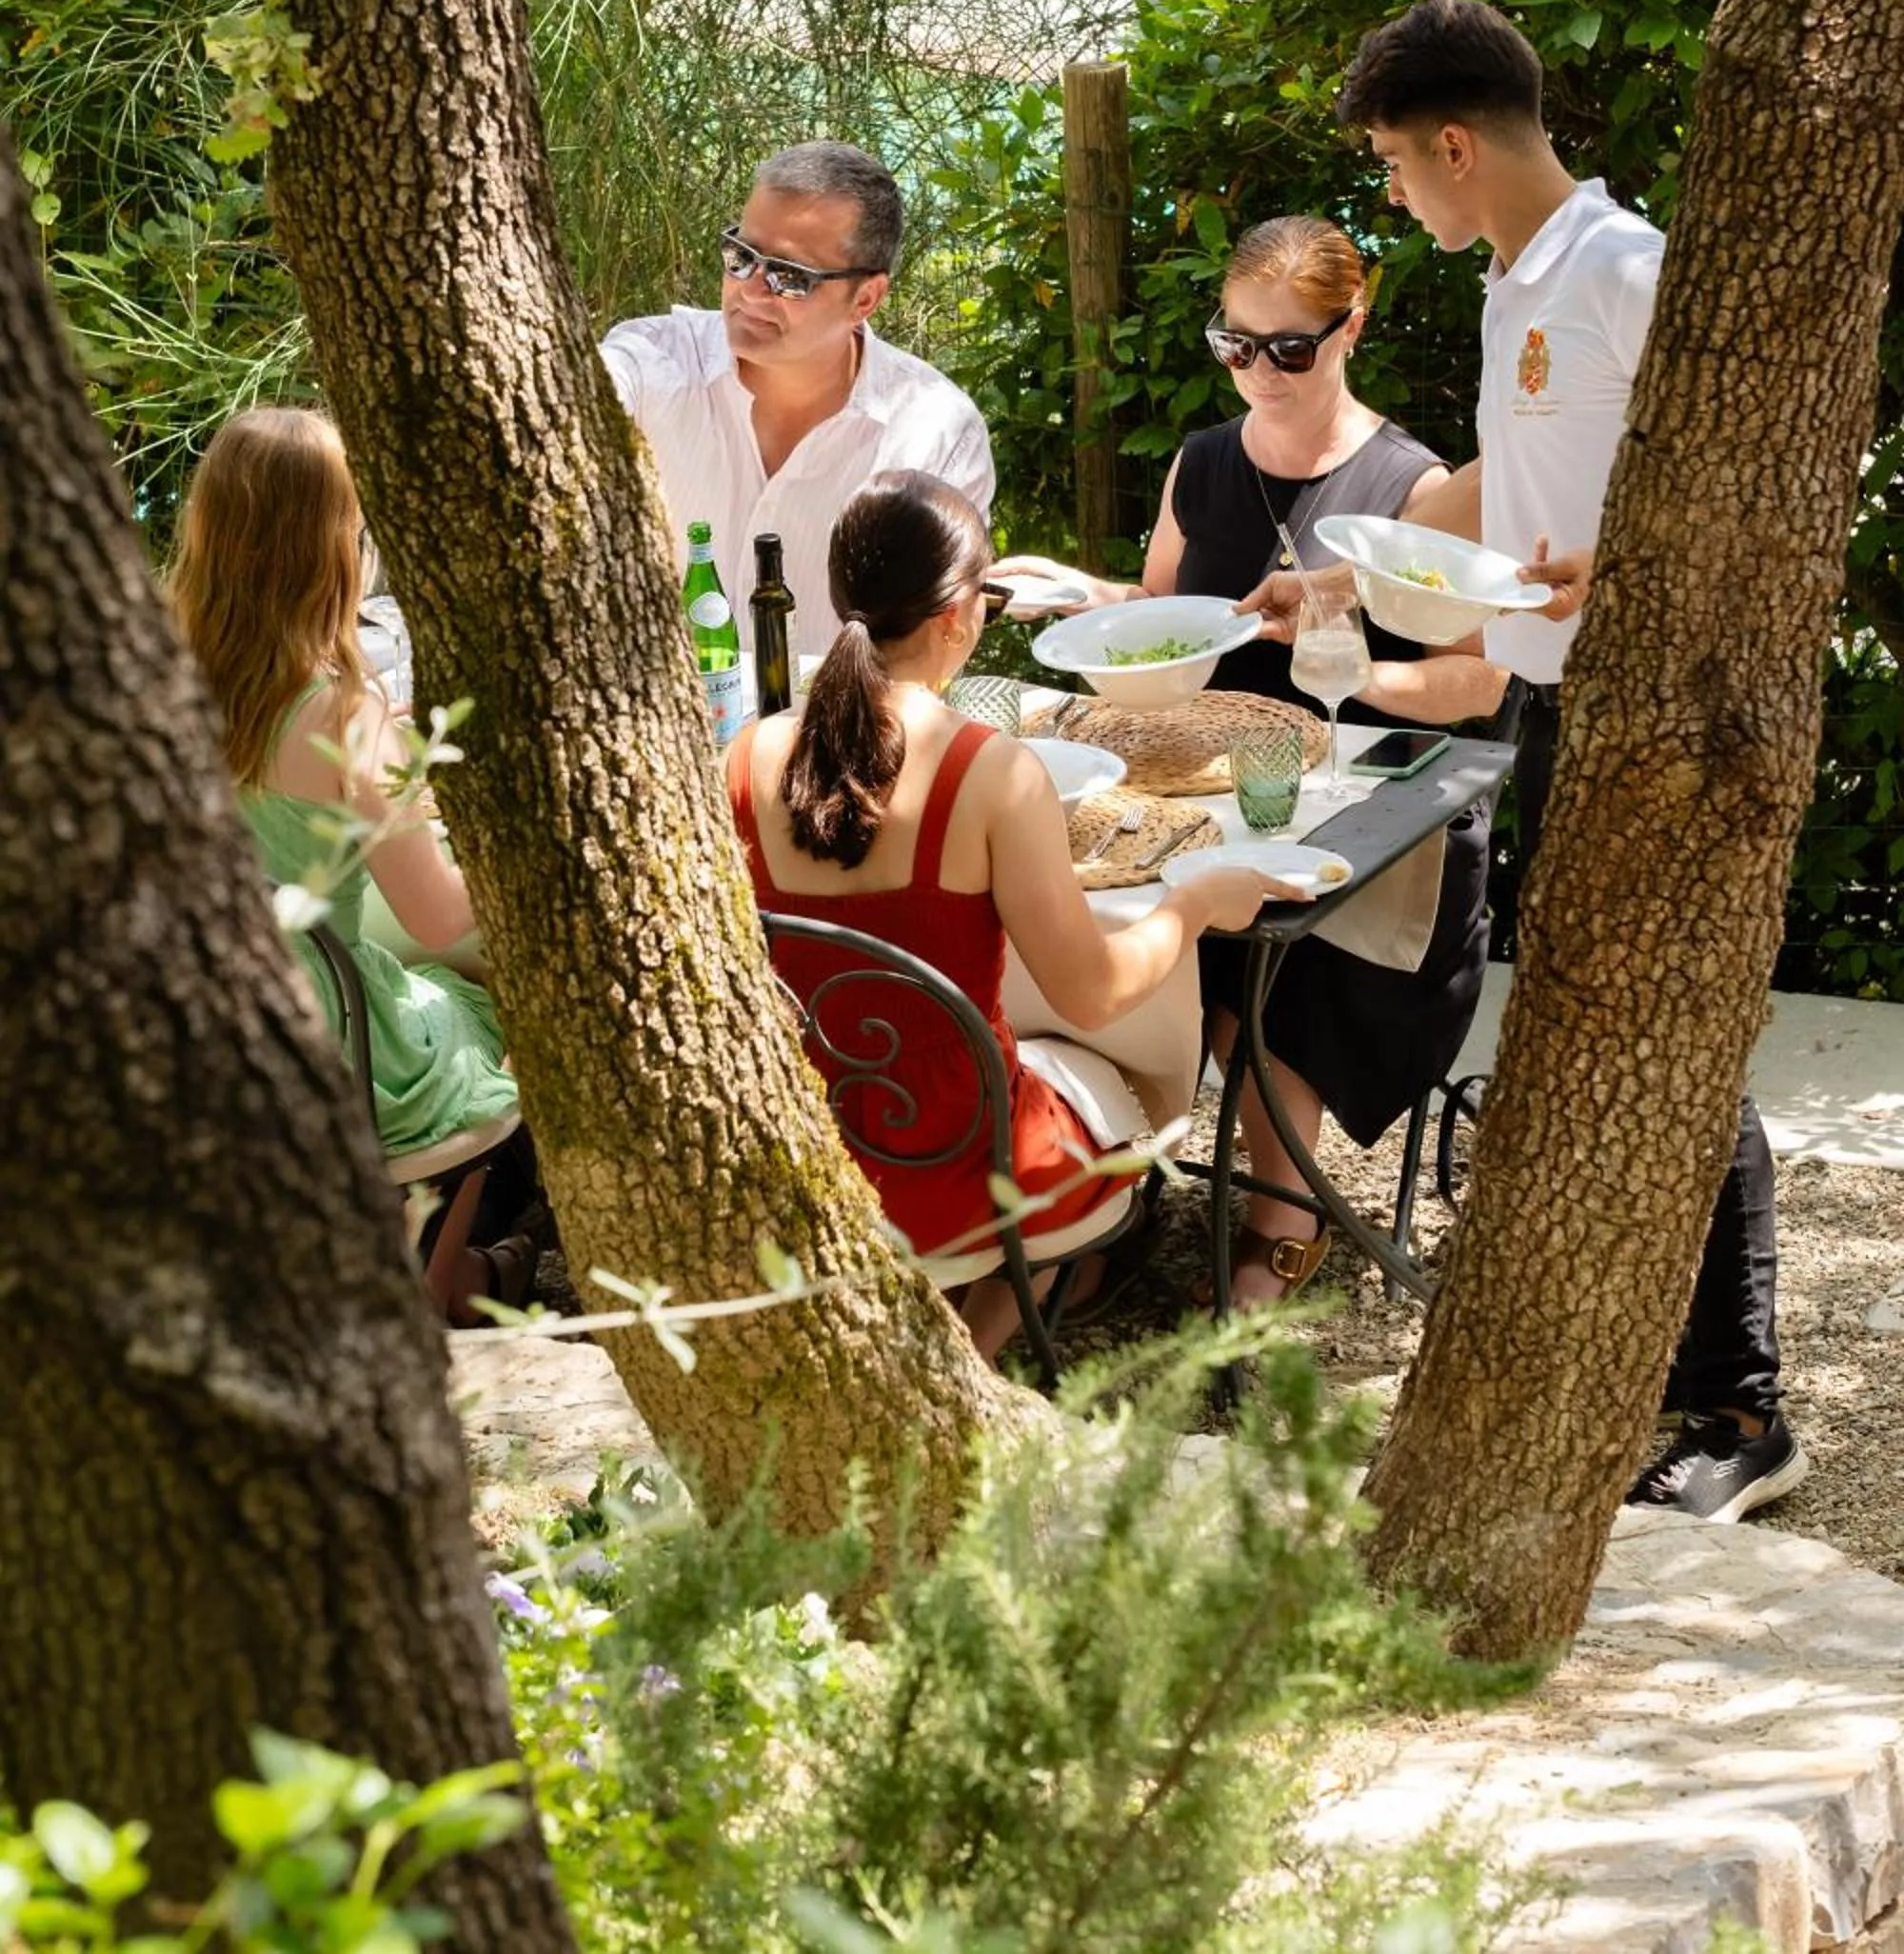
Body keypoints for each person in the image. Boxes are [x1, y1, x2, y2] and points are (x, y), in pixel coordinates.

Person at [1337, 0, 1805, 1521]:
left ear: (1457, 145)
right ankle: (1662, 1371)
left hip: (1646, 719)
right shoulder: (1518, 280)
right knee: (1614, 1035)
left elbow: (1757, 464)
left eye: (1399, 170)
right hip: (1557, 710)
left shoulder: (1618, 267)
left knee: (1673, 1040)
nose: (1396, 200)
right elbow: (1523, 476)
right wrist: (1351, 561)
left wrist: (1607, 572)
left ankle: (1743, 1411)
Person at [1002, 216, 1507, 1303]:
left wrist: (1341, 668)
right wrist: (1079, 595)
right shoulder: (1204, 461)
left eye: (1288, 347)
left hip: (1375, 812)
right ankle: (1096, 1192)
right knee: (1086, 914)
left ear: (1350, 330)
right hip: (1207, 790)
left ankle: (1282, 1221)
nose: (1258, 371)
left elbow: (1477, 686)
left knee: (1272, 958)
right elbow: (1172, 617)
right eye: (1234, 345)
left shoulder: (1410, 492)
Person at [725, 470, 1294, 1358]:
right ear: (958, 614)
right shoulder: (992, 772)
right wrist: (1191, 906)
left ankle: (922, 1359)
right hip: (960, 1176)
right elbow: (1092, 993)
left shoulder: (747, 752)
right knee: (1096, 1078)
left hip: (794, 1156)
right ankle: (972, 1363)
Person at [169, 406, 542, 1320]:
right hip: (324, 1042)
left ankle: (438, 1270)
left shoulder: (142, 666)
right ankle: (427, 1283)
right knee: (488, 1006)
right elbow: (441, 919)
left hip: (187, 1024)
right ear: (335, 546)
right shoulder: (339, 710)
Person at [600, 141, 994, 652]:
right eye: (741, 257)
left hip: (845, 728)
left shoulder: (937, 434)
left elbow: (935, 642)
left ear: (866, 299)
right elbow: (572, 398)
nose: (751, 290)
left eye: (790, 276)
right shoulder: (651, 361)